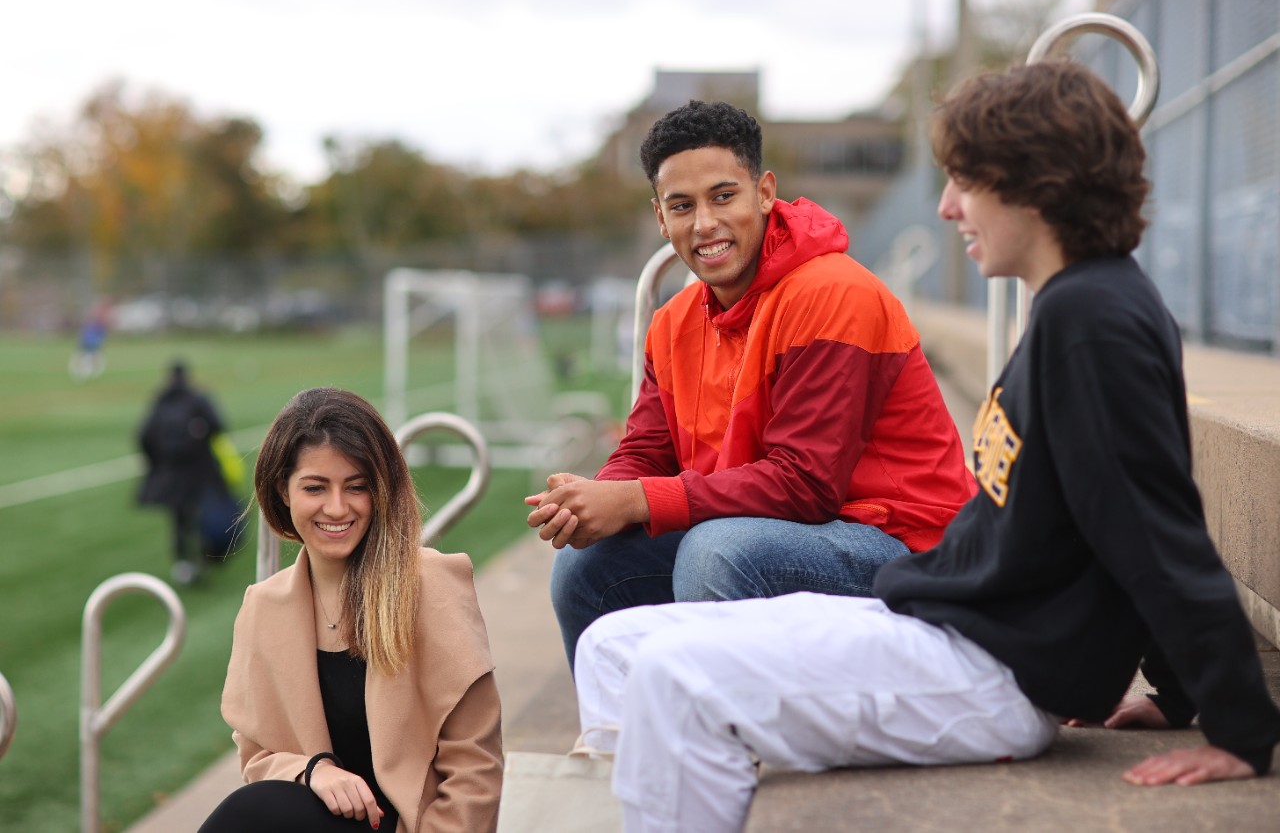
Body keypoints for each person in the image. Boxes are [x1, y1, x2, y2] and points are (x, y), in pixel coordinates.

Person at [569, 61, 1280, 832]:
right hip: (945, 619)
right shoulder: (1075, 308)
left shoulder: (1095, 324)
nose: (946, 208)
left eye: (964, 183)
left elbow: (1155, 523)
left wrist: (1234, 721)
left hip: (997, 672)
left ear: (1034, 185)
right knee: (613, 645)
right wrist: (1172, 692)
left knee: (672, 678)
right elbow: (1131, 511)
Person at [527, 99, 975, 669]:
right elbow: (648, 449)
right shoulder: (673, 322)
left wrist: (635, 500)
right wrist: (592, 499)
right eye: (682, 206)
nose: (704, 224)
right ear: (661, 219)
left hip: (904, 546)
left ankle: (724, 744)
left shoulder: (834, 294)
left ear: (764, 192)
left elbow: (806, 484)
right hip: (777, 531)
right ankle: (621, 733)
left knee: (717, 554)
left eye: (723, 196)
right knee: (586, 563)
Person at [199, 388, 503, 833]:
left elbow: (475, 766)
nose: (337, 508)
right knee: (252, 808)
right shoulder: (263, 606)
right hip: (322, 820)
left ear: (380, 491)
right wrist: (313, 770)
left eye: (356, 487)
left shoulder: (431, 585)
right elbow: (258, 758)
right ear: (283, 490)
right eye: (315, 487)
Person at [137, 360, 228, 585]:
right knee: (203, 514)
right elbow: (218, 425)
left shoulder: (160, 400)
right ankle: (204, 559)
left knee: (178, 519)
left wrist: (156, 462)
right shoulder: (197, 398)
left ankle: (182, 564)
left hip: (172, 473)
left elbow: (144, 435)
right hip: (200, 469)